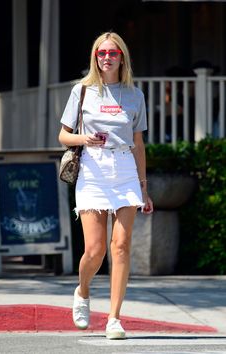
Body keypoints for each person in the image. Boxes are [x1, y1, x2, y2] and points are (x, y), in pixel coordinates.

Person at [58, 32, 153, 340]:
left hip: (124, 168)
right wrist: (84, 138)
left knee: (121, 246)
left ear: (121, 57)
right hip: (93, 169)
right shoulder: (81, 91)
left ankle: (114, 318)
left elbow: (138, 144)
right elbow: (63, 136)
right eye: (101, 53)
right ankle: (83, 290)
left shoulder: (134, 95)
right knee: (96, 250)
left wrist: (144, 188)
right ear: (95, 57)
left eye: (113, 53)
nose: (107, 57)